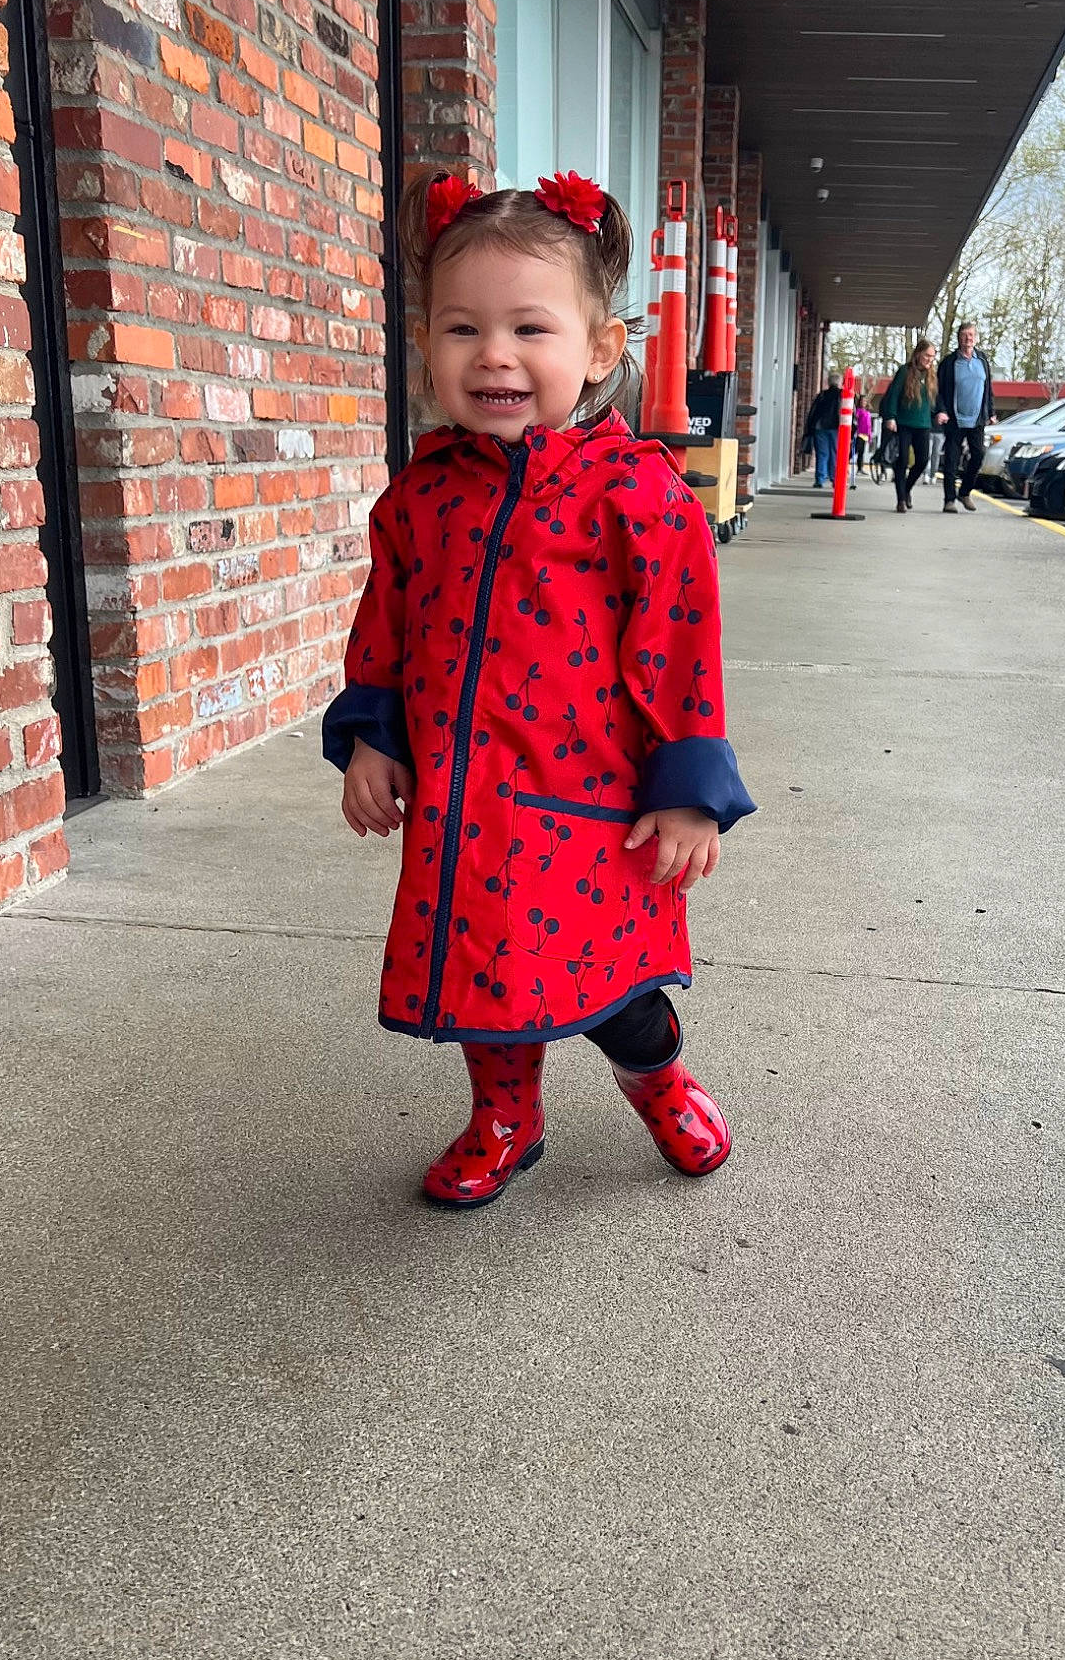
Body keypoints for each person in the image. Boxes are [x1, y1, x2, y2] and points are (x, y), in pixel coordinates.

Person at [322, 168, 756, 1210]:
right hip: (465, 802)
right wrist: (372, 734)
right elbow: (385, 623)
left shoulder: (633, 494)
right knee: (479, 974)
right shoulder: (418, 496)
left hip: (589, 805)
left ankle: (655, 1077)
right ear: (426, 342)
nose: (495, 355)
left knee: (613, 991)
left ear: (600, 349)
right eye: (463, 328)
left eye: (529, 327)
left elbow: (679, 643)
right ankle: (505, 1116)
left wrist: (687, 781)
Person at [935, 320, 994, 514]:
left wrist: (991, 412)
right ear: (958, 337)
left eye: (971, 335)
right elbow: (939, 391)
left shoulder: (983, 360)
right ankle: (949, 500)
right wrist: (941, 410)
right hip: (954, 419)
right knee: (952, 459)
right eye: (964, 335)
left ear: (975, 337)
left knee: (978, 455)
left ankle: (965, 492)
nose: (968, 338)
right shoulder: (949, 362)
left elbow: (988, 390)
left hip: (977, 419)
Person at [881, 341, 938, 513]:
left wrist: (940, 413)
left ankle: (906, 489)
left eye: (932, 357)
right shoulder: (905, 371)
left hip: (923, 424)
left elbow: (936, 400)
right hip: (904, 423)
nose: (929, 360)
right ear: (918, 354)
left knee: (922, 460)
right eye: (927, 355)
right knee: (903, 460)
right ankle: (900, 500)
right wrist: (890, 417)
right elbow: (893, 395)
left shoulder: (932, 376)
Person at [802, 371, 842, 488]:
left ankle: (820, 479)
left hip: (820, 427)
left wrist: (809, 428)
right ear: (840, 383)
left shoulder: (822, 395)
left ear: (828, 383)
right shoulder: (842, 395)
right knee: (835, 453)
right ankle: (835, 478)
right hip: (836, 428)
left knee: (822, 454)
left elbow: (813, 412)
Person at [852, 395, 873, 482]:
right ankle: (846, 463)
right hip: (860, 433)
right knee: (856, 450)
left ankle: (860, 468)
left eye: (865, 401)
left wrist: (870, 436)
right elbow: (856, 418)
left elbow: (869, 425)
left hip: (865, 434)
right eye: (862, 401)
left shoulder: (867, 412)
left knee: (862, 452)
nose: (863, 403)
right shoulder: (859, 411)